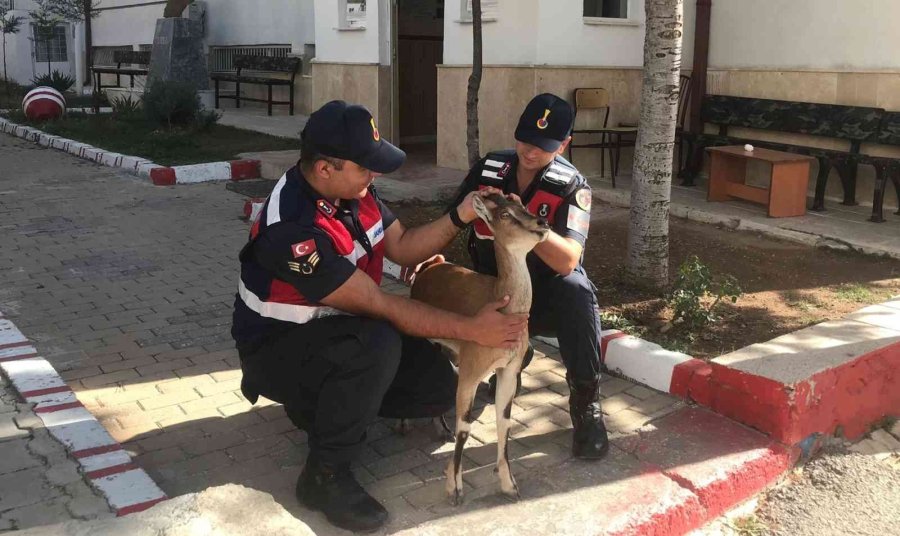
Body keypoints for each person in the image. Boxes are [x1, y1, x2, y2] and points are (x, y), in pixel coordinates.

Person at [231, 101, 528, 532]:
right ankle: (324, 475)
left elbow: (403, 246)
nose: (374, 175)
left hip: (334, 332)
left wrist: (461, 213)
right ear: (325, 169)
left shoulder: (353, 192)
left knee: (435, 388)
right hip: (277, 350)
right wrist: (472, 329)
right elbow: (381, 304)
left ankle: (325, 408)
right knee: (375, 343)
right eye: (365, 167)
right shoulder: (293, 229)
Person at [446, 93, 610, 461]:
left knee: (578, 290)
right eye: (525, 140)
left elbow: (568, 260)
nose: (530, 151)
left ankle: (586, 404)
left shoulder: (572, 186)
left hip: (544, 295)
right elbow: (453, 217)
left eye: (543, 146)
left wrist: (528, 225)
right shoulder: (490, 169)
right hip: (491, 290)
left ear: (564, 145)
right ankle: (511, 357)